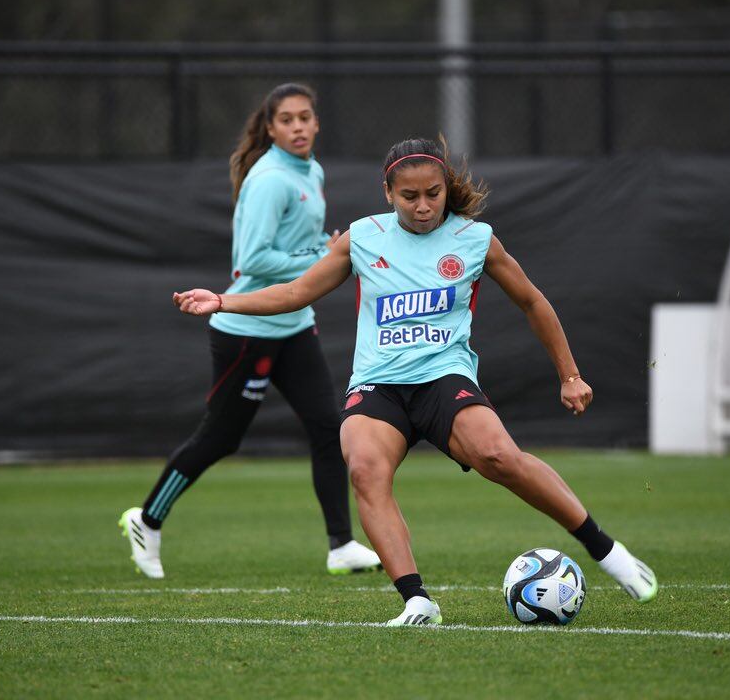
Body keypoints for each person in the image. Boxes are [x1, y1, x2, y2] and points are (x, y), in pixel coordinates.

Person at [171, 137, 657, 625]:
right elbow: (297, 292)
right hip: (378, 385)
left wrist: (570, 375)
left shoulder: (475, 238)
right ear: (388, 192)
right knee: (363, 467)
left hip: (443, 376)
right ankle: (417, 601)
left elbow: (533, 302)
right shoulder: (362, 237)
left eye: (433, 193)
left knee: (499, 457)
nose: (423, 206)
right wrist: (223, 300)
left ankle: (608, 552)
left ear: (446, 189)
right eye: (410, 196)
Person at [119, 83, 380, 579]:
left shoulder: (312, 170)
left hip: (295, 325)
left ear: (317, 123)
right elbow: (252, 260)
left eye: (306, 117)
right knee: (221, 438)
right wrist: (321, 258)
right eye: (287, 120)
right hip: (247, 328)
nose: (299, 127)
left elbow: (294, 246)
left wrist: (317, 248)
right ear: (270, 128)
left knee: (329, 427)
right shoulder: (271, 180)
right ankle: (147, 519)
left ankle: (341, 544)